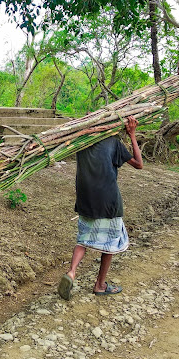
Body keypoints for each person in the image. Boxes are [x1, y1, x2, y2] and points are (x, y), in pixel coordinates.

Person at [57, 115, 143, 300]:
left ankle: (71, 272)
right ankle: (100, 285)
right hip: (109, 200)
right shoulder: (113, 142)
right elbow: (139, 164)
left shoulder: (80, 142)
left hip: (85, 199)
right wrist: (133, 135)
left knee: (83, 240)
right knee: (110, 245)